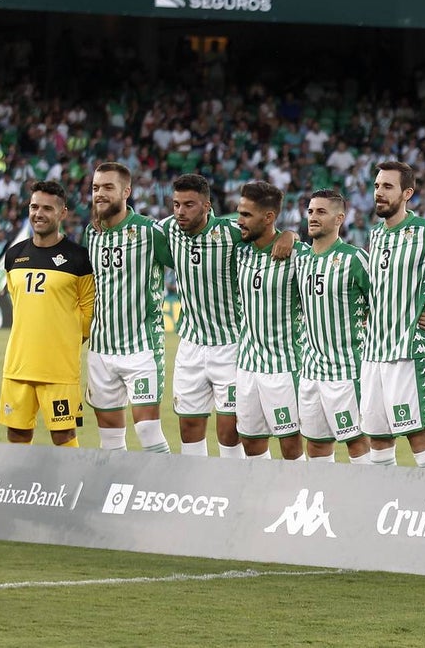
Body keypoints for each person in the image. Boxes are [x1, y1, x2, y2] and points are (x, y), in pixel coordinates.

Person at [361, 161, 425, 469]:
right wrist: (424, 294)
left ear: (407, 193)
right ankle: (379, 503)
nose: (379, 193)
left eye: (387, 187)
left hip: (409, 352)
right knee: (378, 438)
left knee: (417, 435)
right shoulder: (375, 235)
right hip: (373, 352)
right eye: (376, 186)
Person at [82, 162, 173, 453]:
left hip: (141, 347)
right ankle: (115, 494)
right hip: (101, 348)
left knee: (147, 430)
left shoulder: (149, 232)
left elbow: (186, 259)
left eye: (108, 187)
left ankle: (163, 494)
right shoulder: (91, 233)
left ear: (126, 191)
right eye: (96, 188)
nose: (100, 193)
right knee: (109, 439)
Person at [0, 181, 94, 447]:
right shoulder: (14, 255)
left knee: (63, 436)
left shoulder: (78, 258)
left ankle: (73, 488)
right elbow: (18, 304)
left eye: (47, 209)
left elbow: (89, 312)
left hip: (59, 368)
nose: (39, 213)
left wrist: (66, 340)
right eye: (34, 206)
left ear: (62, 213)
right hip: (18, 365)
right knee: (16, 434)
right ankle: (18, 488)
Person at [160, 173, 245, 458]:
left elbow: (268, 233)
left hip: (231, 346)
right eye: (176, 204)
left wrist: (288, 235)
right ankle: (197, 492)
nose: (180, 212)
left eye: (189, 205)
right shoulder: (169, 230)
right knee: (189, 428)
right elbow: (135, 229)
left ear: (207, 206)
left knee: (230, 432)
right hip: (190, 346)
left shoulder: (232, 233)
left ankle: (235, 495)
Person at [294, 189, 374, 464]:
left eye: (321, 212)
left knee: (358, 443)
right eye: (311, 211)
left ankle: (368, 506)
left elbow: (382, 303)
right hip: (310, 370)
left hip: (346, 371)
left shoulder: (354, 259)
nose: (313, 217)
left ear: (339, 218)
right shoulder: (300, 259)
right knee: (316, 446)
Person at [234, 180, 307, 461]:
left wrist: (291, 235)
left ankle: (298, 502)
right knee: (251, 444)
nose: (239, 221)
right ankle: (264, 501)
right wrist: (291, 232)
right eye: (239, 213)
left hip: (284, 367)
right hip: (247, 366)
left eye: (246, 215)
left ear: (269, 217)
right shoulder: (240, 250)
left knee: (291, 448)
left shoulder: (296, 257)